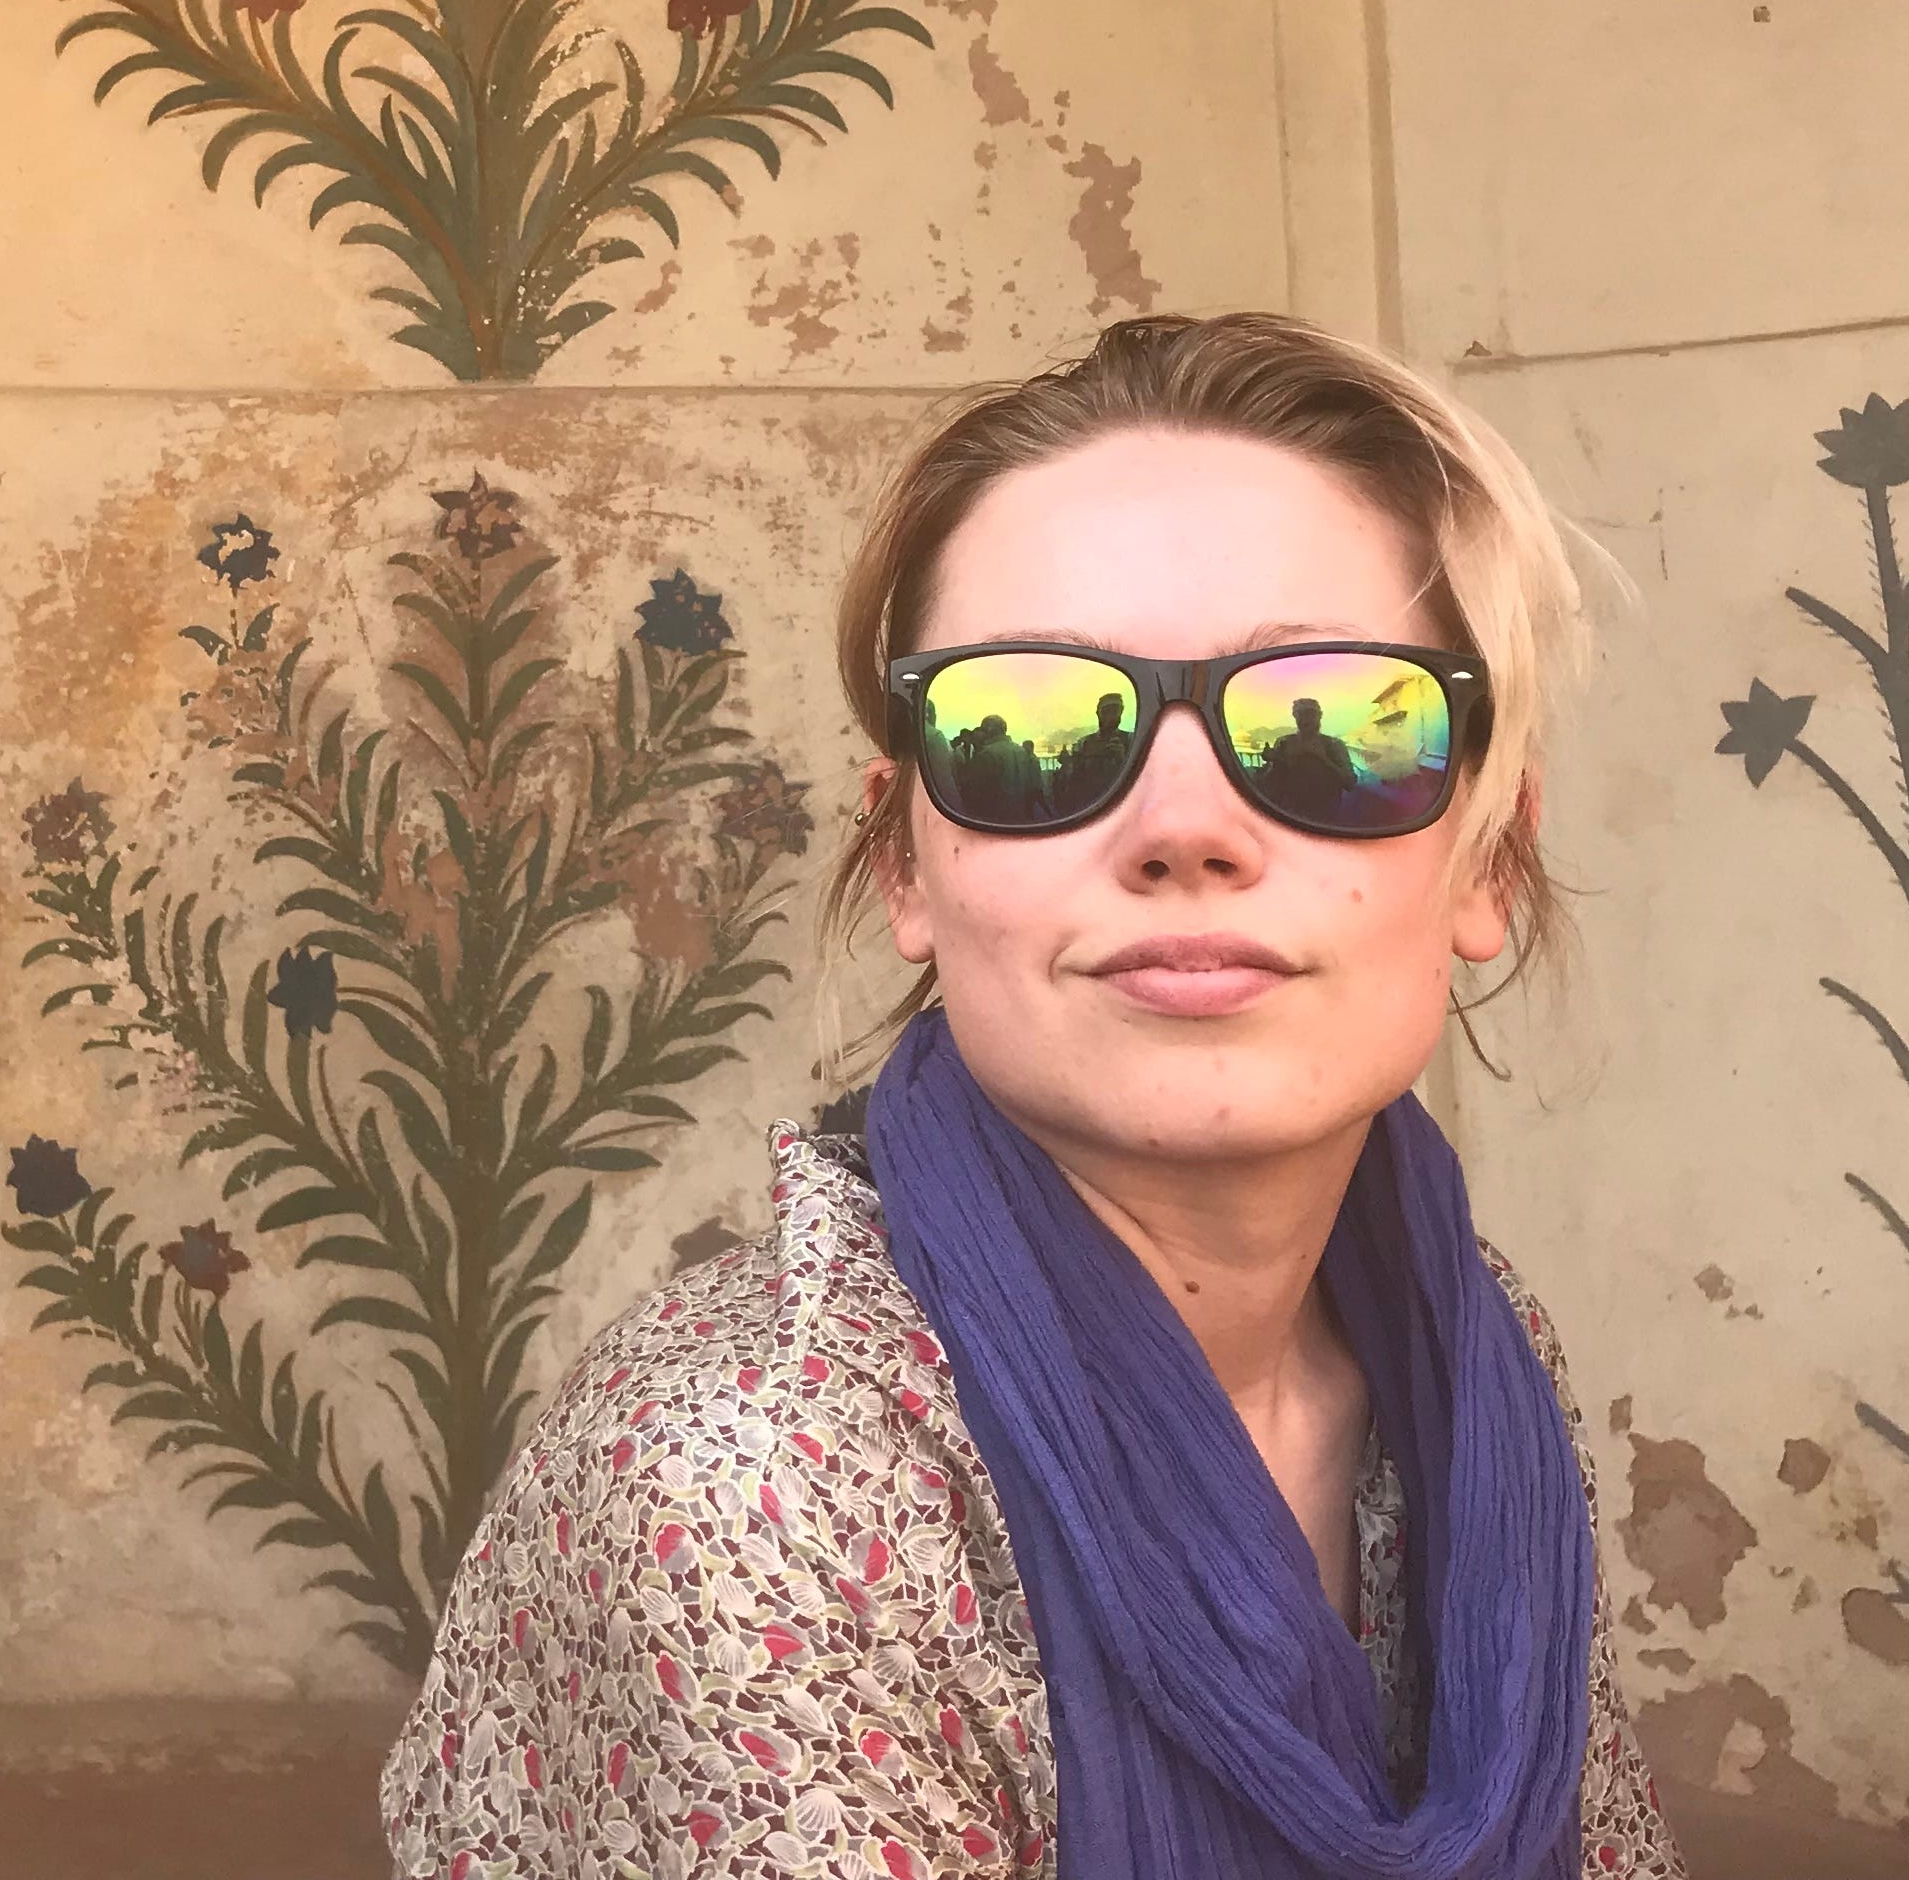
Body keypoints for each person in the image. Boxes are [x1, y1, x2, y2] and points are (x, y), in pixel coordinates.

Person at [383, 311, 1682, 1878]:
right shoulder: (752, 1486)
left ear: (1494, 857)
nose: (1186, 827)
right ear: (905, 865)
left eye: (1339, 725)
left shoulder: (1476, 1355)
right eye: (1033, 730)